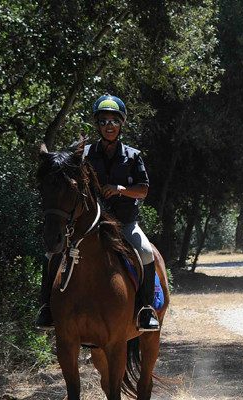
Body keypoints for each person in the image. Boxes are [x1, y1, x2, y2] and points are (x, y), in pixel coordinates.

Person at [36, 94, 161, 332]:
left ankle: (145, 309)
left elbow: (143, 190)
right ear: (98, 125)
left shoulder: (133, 156)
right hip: (91, 224)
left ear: (121, 124)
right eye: (103, 121)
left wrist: (122, 190)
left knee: (145, 252)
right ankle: (47, 308)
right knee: (51, 254)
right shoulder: (83, 155)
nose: (109, 126)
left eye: (114, 121)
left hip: (124, 222)